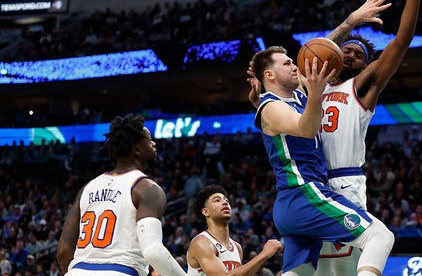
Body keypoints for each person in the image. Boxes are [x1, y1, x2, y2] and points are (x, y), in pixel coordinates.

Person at [315, 0, 422, 275]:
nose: (350, 54)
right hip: (310, 183)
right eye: (346, 51)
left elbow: (401, 41)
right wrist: (349, 24)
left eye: (359, 55)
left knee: (346, 267)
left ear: (366, 66)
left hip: (344, 181)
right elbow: (317, 50)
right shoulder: (314, 87)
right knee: (317, 269)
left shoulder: (362, 85)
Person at [250, 45, 394, 276]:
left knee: (302, 272)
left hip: (293, 203)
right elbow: (306, 129)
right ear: (269, 74)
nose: (295, 66)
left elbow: (317, 51)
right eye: (287, 63)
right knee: (381, 236)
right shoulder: (272, 106)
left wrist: (352, 20)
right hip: (305, 194)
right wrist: (316, 93)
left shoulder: (294, 97)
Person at [56, 114, 188, 276]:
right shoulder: (147, 188)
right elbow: (153, 251)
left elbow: (63, 252)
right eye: (148, 139)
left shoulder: (87, 188)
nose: (153, 143)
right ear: (137, 149)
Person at [186, 184, 283, 275]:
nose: (224, 202)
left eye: (226, 201)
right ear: (206, 212)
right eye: (217, 200)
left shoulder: (237, 247)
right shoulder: (201, 243)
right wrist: (264, 254)